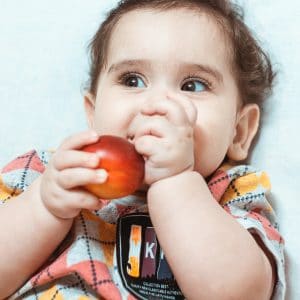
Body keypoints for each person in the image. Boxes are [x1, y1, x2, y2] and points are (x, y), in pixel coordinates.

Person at [0, 0, 285, 299]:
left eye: (193, 86)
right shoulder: (46, 175)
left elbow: (241, 294)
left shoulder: (232, 196)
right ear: (92, 113)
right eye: (132, 80)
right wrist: (44, 208)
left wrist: (175, 183)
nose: (155, 106)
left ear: (239, 132)